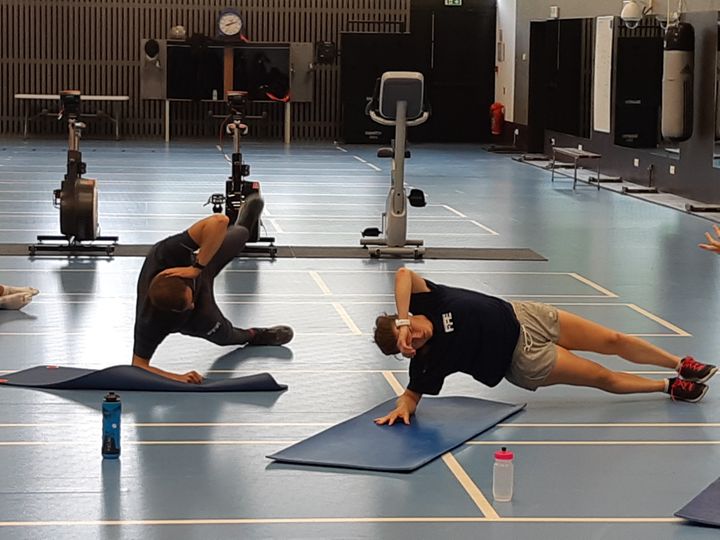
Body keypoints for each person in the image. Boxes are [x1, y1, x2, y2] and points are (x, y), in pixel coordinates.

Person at [373, 268, 716, 425]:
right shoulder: (428, 361)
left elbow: (403, 273)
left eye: (410, 332)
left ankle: (679, 363)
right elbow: (412, 395)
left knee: (613, 339)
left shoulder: (426, 301)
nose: (415, 339)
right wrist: (403, 405)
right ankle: (670, 386)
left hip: (525, 315)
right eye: (409, 345)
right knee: (601, 376)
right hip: (524, 359)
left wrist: (403, 319)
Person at [132, 196, 293, 383]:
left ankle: (244, 223)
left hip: (201, 267)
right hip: (195, 317)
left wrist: (197, 268)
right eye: (186, 305)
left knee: (240, 234)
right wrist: (177, 377)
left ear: (181, 279)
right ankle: (256, 335)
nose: (190, 305)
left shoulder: (165, 255)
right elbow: (139, 366)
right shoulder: (149, 321)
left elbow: (219, 220)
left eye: (188, 300)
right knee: (226, 336)